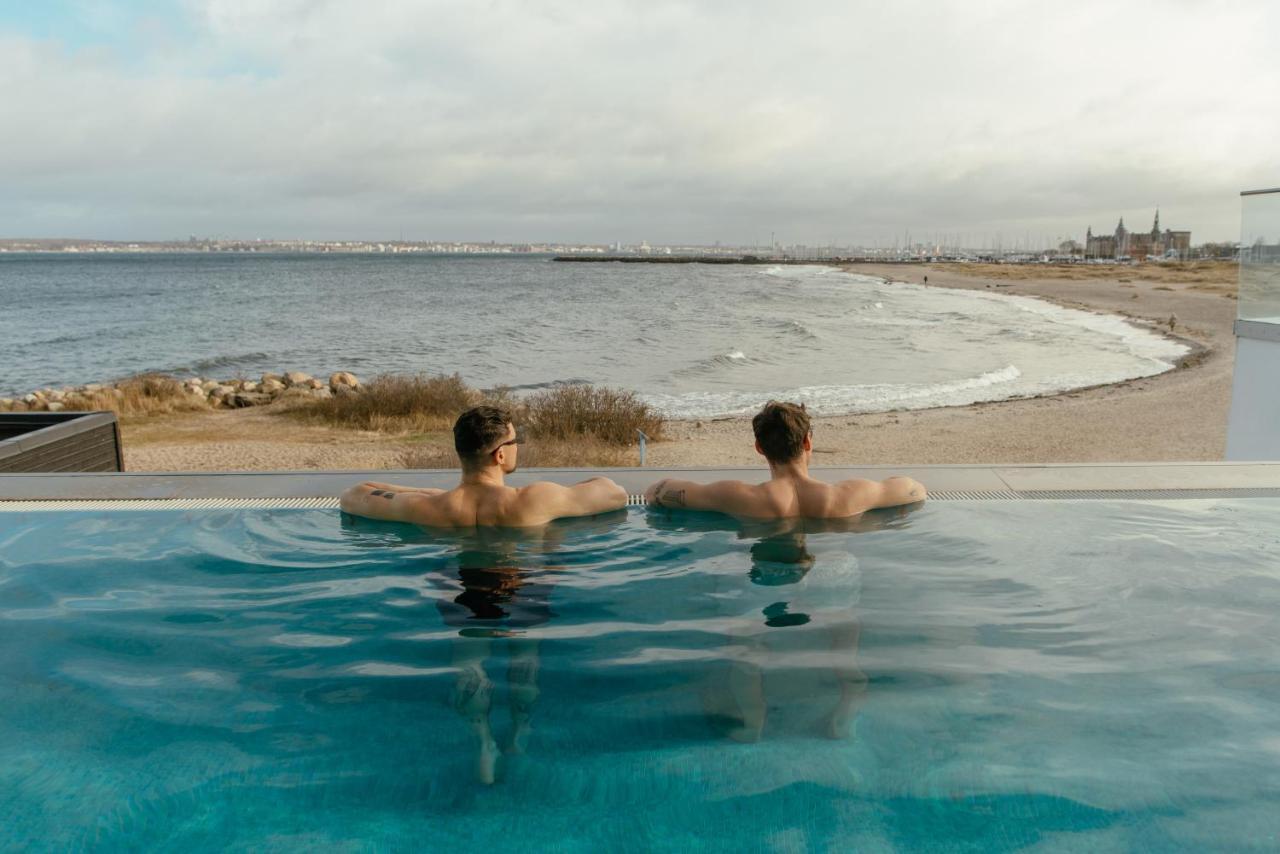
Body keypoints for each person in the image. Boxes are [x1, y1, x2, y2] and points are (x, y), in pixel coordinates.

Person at [340, 405, 627, 527]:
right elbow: (616, 493)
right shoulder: (537, 499)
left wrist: (427, 493)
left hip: (457, 587)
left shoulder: (424, 506)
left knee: (467, 651)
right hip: (521, 585)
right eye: (515, 442)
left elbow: (353, 496)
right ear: (500, 455)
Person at [643, 400, 926, 518]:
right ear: (807, 442)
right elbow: (914, 490)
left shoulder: (736, 496)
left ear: (759, 448)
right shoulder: (849, 495)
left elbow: (655, 492)